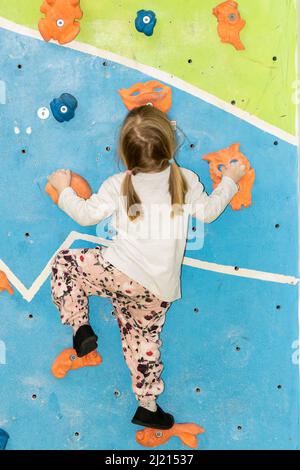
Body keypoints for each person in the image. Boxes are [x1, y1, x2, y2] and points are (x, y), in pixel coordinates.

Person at [48, 105, 245, 429]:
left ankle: (80, 327)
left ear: (125, 154)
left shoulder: (119, 184)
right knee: (143, 342)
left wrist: (63, 187)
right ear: (170, 145)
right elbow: (208, 212)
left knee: (66, 264)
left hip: (118, 272)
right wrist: (230, 181)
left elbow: (85, 215)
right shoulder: (183, 180)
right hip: (156, 290)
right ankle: (147, 405)